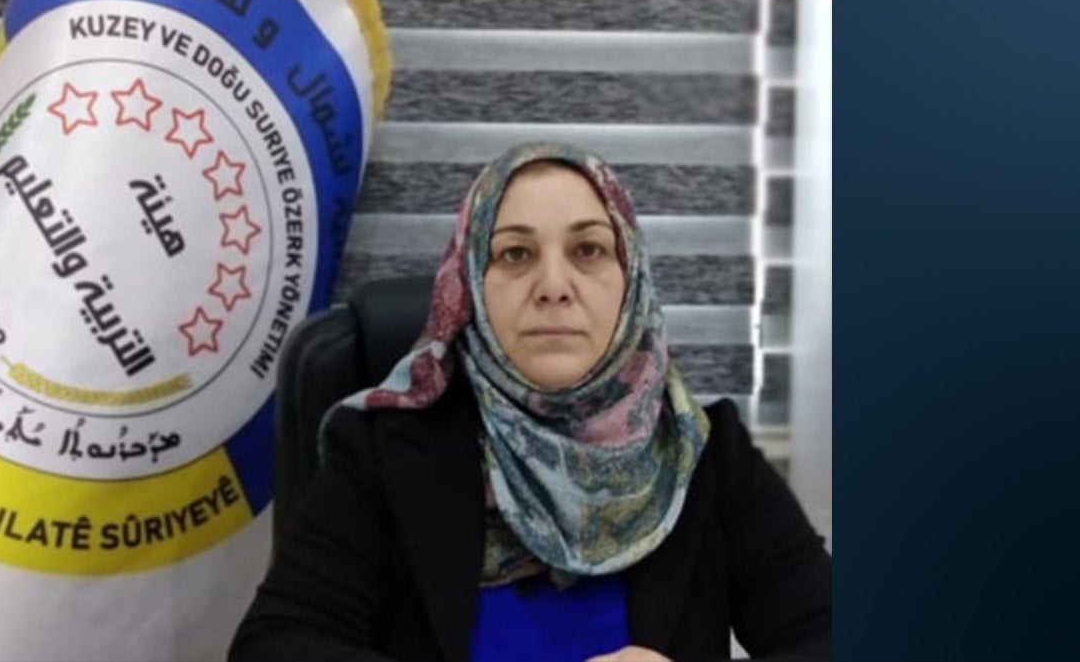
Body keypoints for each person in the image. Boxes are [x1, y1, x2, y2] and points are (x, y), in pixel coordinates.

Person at [229, 142, 831, 661]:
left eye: (589, 251)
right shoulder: (384, 450)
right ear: (470, 288)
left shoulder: (702, 454)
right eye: (515, 254)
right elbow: (277, 644)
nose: (552, 287)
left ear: (632, 280)